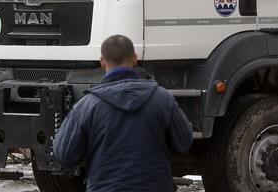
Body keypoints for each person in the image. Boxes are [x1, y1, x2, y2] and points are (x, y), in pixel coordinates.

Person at [52, 34, 193, 191]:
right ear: (134, 59)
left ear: (102, 62)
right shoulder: (162, 99)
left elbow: (64, 155)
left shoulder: (87, 105)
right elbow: (184, 143)